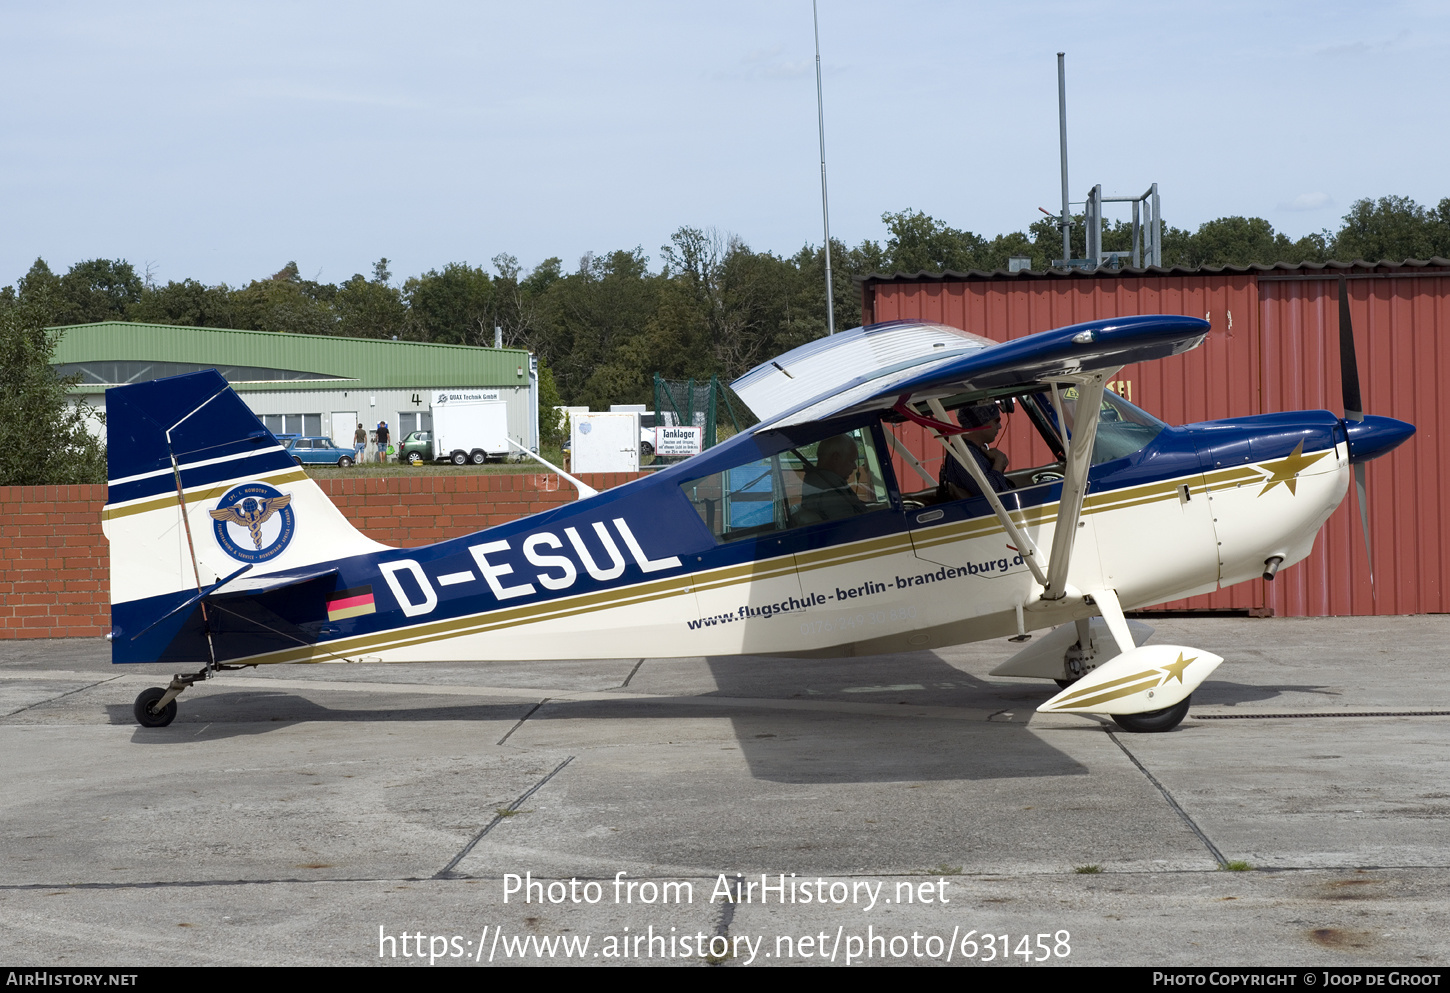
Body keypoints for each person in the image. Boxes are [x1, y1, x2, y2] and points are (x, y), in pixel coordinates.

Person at [940, 402, 1014, 500]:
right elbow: (992, 495)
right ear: (981, 424)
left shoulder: (974, 450)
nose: (1000, 426)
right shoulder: (963, 455)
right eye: (996, 421)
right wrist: (999, 463)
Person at [799, 434, 870, 521]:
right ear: (836, 458)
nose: (855, 467)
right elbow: (849, 525)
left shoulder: (815, 481)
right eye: (851, 461)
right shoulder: (832, 491)